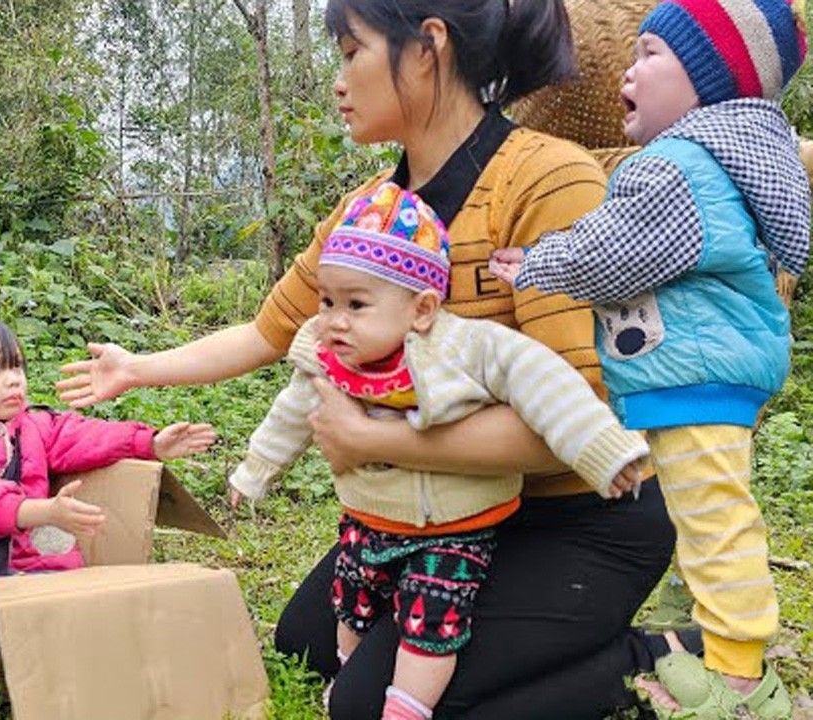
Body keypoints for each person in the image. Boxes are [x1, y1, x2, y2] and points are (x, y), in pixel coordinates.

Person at [57, 1, 681, 717]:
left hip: (579, 518)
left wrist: (375, 438)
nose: (339, 80)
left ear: (428, 48)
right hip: (446, 515)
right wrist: (137, 367)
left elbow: (582, 416)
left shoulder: (547, 182)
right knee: (303, 642)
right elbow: (269, 332)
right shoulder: (370, 213)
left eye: (352, 51)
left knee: (365, 703)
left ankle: (647, 663)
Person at [489, 0, 809, 715]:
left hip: (696, 374)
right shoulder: (732, 153)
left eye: (651, 55)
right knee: (704, 515)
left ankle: (739, 682)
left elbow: (614, 253)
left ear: (710, 79)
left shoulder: (677, 168)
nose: (628, 72)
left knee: (716, 521)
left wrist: (541, 261)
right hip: (705, 371)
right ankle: (707, 642)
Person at [229, 180, 649, 720]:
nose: (335, 318)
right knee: (351, 604)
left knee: (432, 627)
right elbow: (289, 416)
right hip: (368, 517)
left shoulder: (468, 348)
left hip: (455, 527)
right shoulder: (325, 352)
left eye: (357, 304)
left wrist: (603, 451)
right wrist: (254, 472)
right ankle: (348, 670)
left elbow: (548, 386)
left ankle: (407, 709)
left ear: (422, 309)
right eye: (328, 300)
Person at [0, 313, 216, 706]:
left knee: (63, 618)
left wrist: (150, 443)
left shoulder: (32, 427)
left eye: (17, 365)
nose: (14, 379)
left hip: (34, 575)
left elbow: (84, 434)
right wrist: (36, 511)